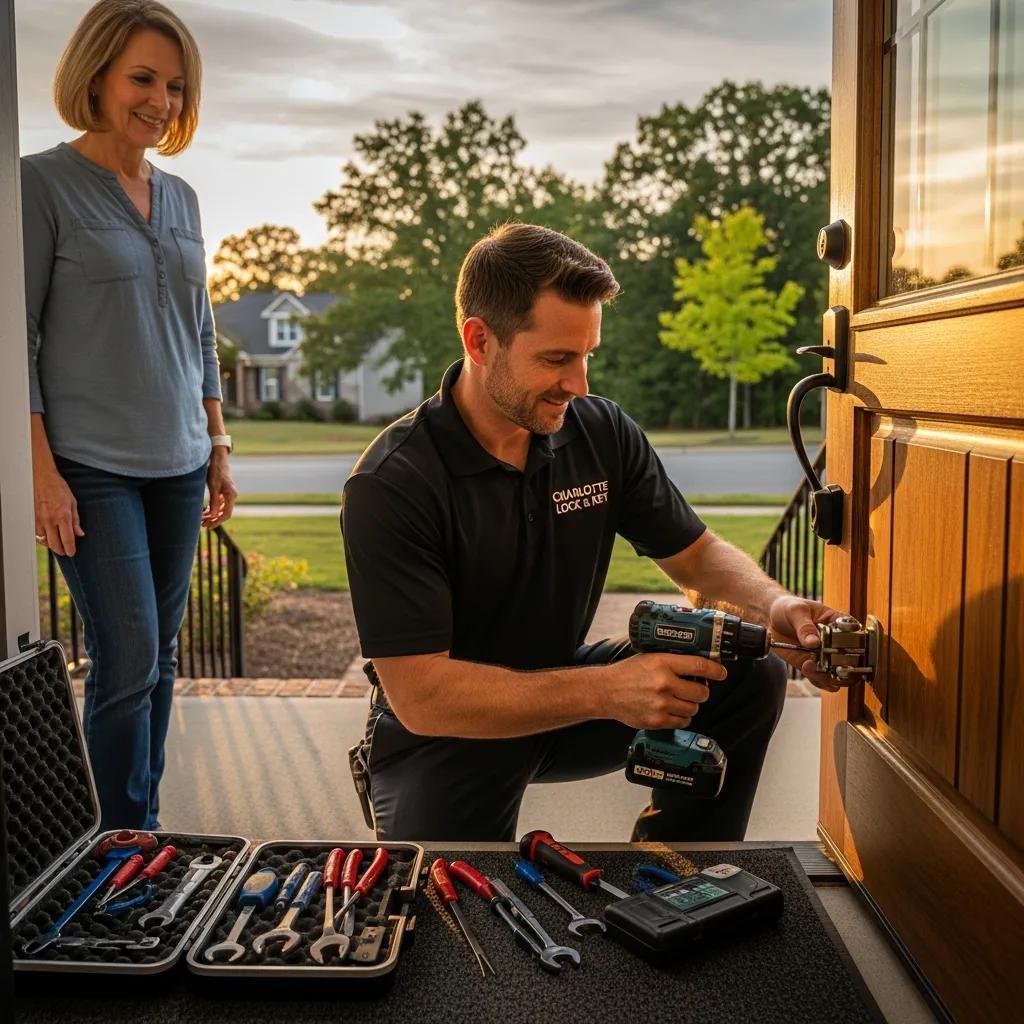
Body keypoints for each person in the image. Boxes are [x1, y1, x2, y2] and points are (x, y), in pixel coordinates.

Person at [341, 222, 847, 843]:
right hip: (447, 731)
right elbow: (423, 696)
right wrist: (606, 690)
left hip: (569, 693)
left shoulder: (600, 431)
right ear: (479, 341)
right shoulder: (392, 482)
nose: (579, 384)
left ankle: (677, 874)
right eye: (556, 359)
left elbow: (696, 556)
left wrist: (777, 605)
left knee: (747, 671)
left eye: (587, 356)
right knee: (444, 913)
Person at [23, 0, 236, 830]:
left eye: (175, 86)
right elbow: (20, 341)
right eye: (143, 78)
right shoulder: (39, 183)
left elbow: (202, 329)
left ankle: (137, 834)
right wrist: (41, 474)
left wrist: (217, 441)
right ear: (97, 76)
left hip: (181, 463)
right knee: (128, 656)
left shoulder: (181, 197)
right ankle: (121, 840)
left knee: (163, 656)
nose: (161, 101)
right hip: (91, 465)